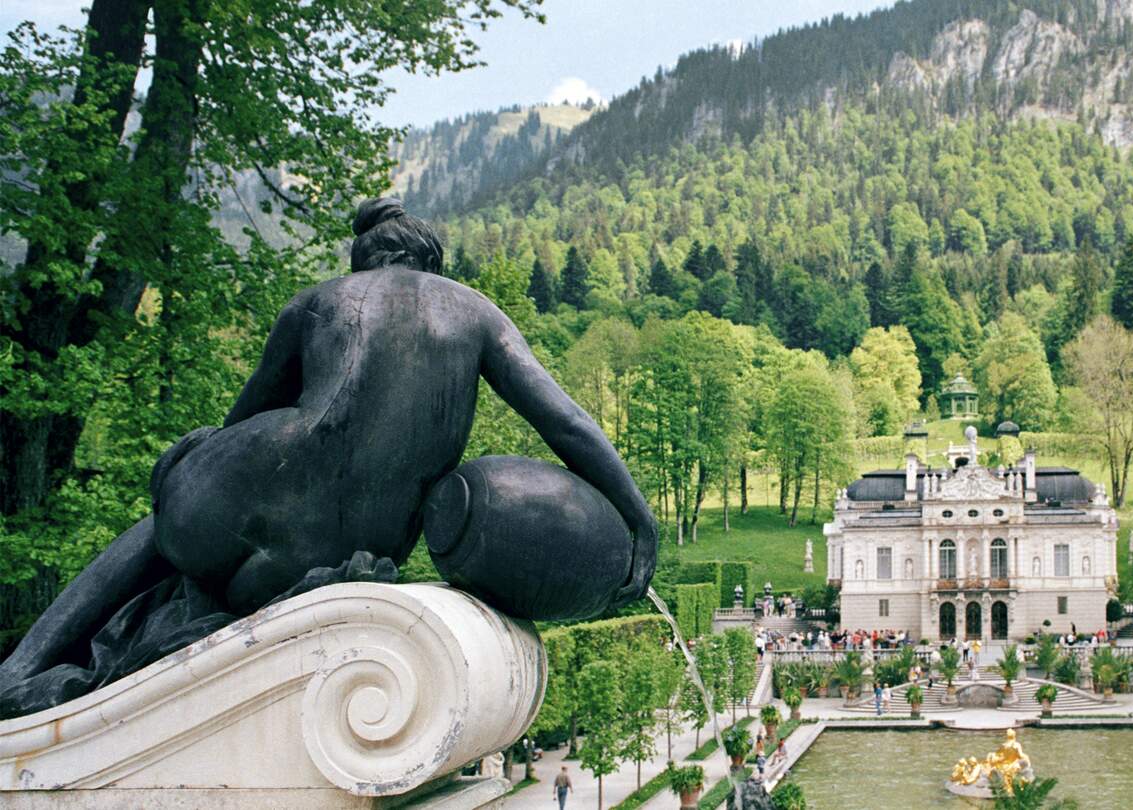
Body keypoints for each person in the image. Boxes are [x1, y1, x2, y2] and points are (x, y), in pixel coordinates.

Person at [0, 198, 658, 719]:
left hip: (231, 497)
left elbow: (242, 421)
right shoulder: (474, 313)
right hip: (334, 552)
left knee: (169, 531)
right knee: (204, 574)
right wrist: (637, 517)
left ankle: (21, 671)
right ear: (431, 261)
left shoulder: (316, 300)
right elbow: (567, 425)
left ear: (362, 258)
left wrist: (200, 468)